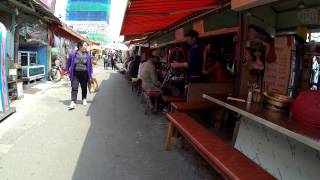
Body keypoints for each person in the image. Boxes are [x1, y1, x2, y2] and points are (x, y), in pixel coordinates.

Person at [66, 40, 93, 109]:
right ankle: (73, 101)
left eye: (86, 45)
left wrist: (90, 74)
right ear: (80, 46)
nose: (86, 47)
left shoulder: (88, 55)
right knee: (74, 87)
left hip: (84, 74)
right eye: (85, 45)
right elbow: (68, 63)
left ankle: (84, 98)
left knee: (84, 87)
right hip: (75, 73)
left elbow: (90, 65)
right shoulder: (73, 54)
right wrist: (67, 71)